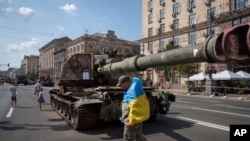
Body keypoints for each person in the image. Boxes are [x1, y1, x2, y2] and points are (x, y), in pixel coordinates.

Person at [116, 75, 149, 141]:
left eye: (121, 85)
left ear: (127, 83)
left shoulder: (132, 92)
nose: (120, 87)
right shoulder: (132, 89)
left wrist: (131, 121)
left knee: (129, 139)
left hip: (132, 121)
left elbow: (134, 107)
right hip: (136, 119)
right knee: (138, 137)